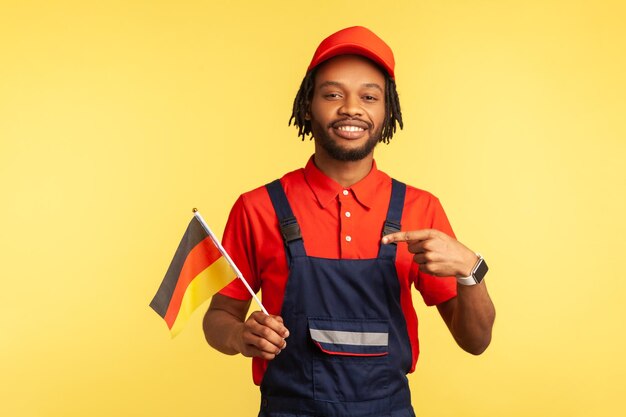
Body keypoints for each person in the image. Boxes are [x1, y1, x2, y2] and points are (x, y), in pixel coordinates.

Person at [203, 26, 495, 417]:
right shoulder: (258, 208)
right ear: (308, 105)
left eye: (369, 96)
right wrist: (240, 335)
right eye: (333, 94)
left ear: (386, 111)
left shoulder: (420, 209)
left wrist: (470, 269)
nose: (351, 108)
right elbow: (218, 317)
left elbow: (475, 341)